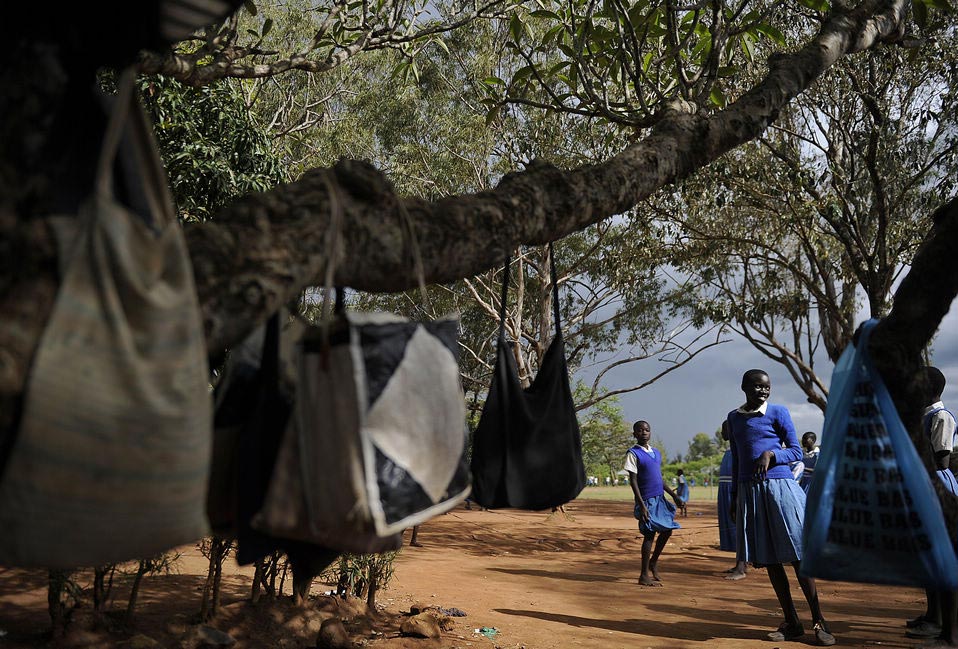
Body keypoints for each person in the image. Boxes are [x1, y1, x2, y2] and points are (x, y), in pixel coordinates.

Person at [728, 369, 835, 646]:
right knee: (771, 560)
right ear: (744, 387)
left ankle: (819, 621)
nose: (763, 391)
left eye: (767, 387)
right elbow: (738, 460)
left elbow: (796, 452)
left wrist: (772, 453)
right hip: (751, 493)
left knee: (798, 557)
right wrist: (733, 498)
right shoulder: (734, 418)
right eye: (757, 387)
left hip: (781, 490)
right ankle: (792, 622)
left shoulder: (778, 412)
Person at [905, 366, 958, 645]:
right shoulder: (924, 415)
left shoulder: (941, 417)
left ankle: (946, 627)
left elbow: (942, 459)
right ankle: (932, 617)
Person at [625, 420, 683, 587]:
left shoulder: (656, 453)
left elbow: (659, 479)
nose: (644, 432)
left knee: (667, 530)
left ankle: (653, 561)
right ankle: (643, 575)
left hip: (660, 499)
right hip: (646, 500)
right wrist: (641, 504)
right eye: (640, 430)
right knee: (649, 535)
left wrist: (674, 496)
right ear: (634, 434)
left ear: (650, 432)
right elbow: (633, 481)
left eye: (647, 430)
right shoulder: (633, 453)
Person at [717, 421, 747, 580]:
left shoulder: (740, 449)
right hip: (726, 491)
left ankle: (741, 568)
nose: (721, 433)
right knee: (733, 526)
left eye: (724, 430)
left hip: (735, 492)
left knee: (739, 527)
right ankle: (740, 564)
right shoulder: (730, 449)